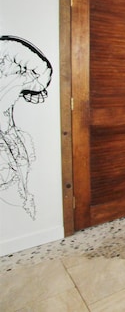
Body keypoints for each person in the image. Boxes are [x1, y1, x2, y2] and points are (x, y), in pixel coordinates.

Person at [0, 35, 53, 219]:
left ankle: (25, 198)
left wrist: (21, 85)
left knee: (16, 151)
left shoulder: (8, 48)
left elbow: (42, 72)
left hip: (5, 121)